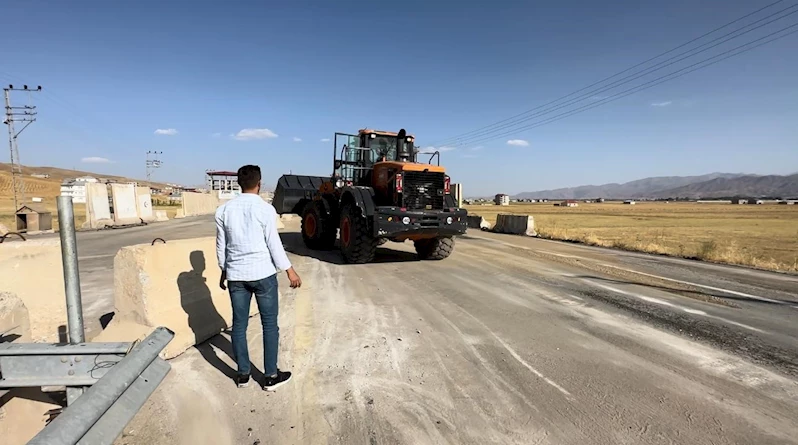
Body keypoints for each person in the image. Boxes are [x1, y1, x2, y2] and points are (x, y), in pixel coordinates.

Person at [215, 164, 302, 390]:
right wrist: (289, 270)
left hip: (236, 276)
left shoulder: (224, 211)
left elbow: (221, 246)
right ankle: (271, 376)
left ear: (238, 183)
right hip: (263, 274)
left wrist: (224, 270)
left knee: (239, 326)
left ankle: (243, 375)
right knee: (269, 326)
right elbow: (274, 244)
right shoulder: (265, 210)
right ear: (259, 183)